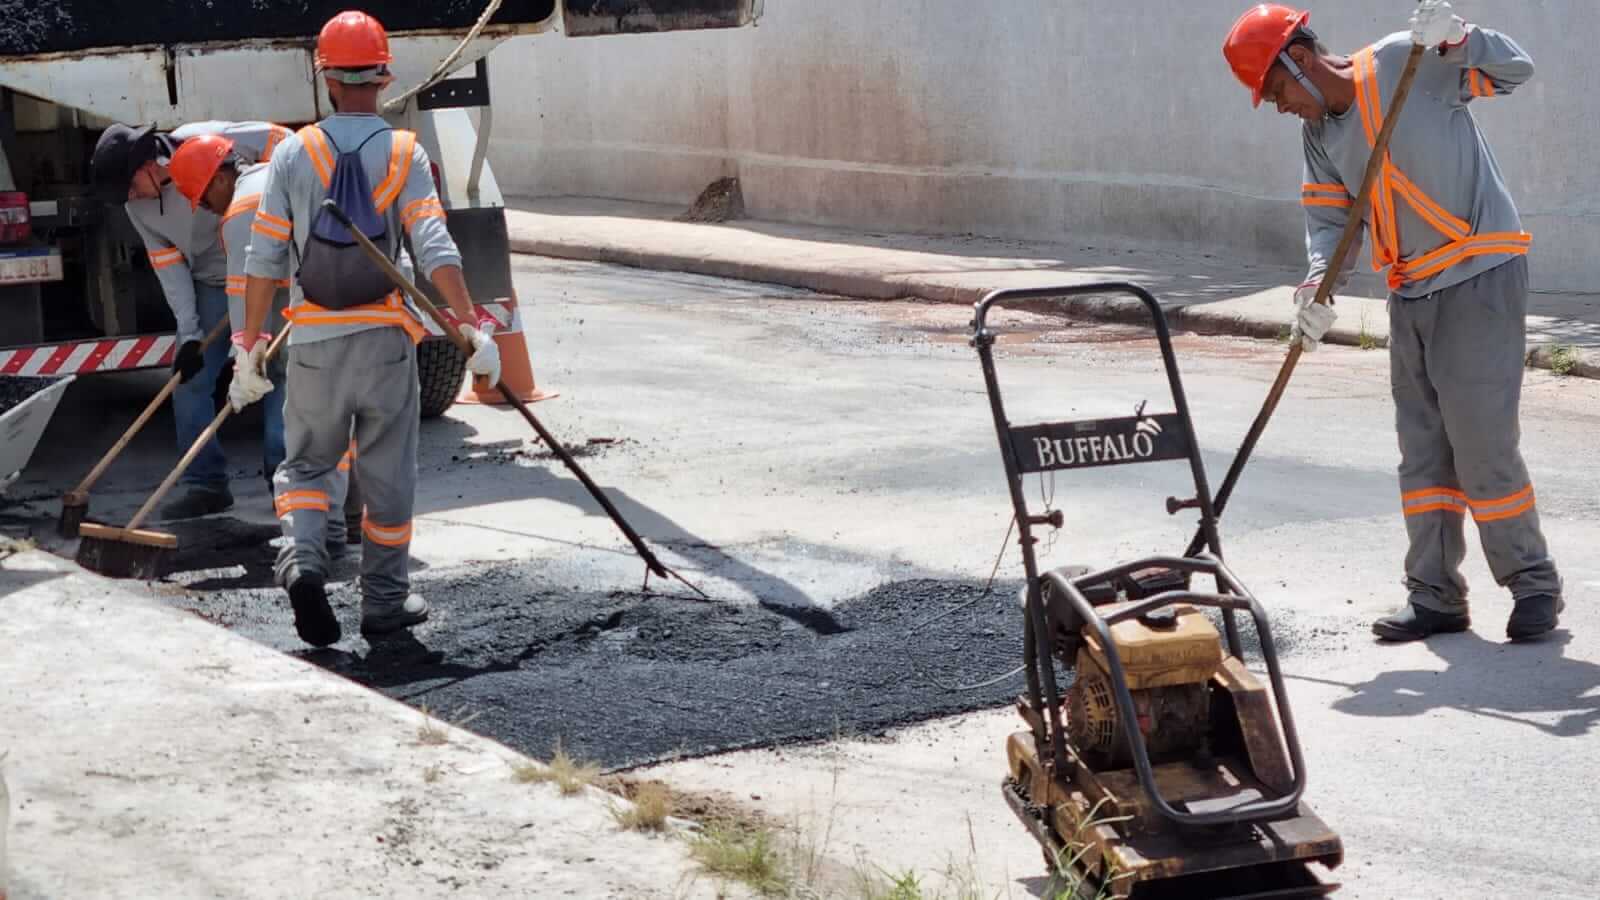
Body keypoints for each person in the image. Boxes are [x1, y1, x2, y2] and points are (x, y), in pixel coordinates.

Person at [1222, 1, 1563, 642]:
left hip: (1479, 276)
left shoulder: (1406, 62)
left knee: (1481, 442)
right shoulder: (1320, 136)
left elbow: (1516, 69)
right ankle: (1435, 595)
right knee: (1424, 449)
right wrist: (1314, 290)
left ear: (1297, 59)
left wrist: (1462, 39)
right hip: (1410, 294)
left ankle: (1532, 581)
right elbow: (1330, 225)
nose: (1277, 107)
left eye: (1272, 92)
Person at [230, 10, 501, 647]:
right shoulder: (405, 152)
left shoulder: (293, 152)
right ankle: (383, 603)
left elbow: (263, 258)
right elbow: (436, 248)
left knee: (306, 467)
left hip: (315, 343)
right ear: (384, 77)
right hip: (385, 342)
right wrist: (469, 325)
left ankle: (302, 561)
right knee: (387, 476)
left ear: (325, 77)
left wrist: (248, 347)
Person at [166, 133, 362, 561]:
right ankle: (344, 518)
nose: (202, 208)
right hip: (350, 297)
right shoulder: (276, 174)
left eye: (201, 197)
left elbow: (244, 290)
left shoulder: (239, 212)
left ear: (220, 177)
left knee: (299, 426)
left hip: (317, 314)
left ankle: (322, 532)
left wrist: (245, 358)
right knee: (330, 414)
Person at [89, 119, 293, 520]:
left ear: (147, 165)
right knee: (189, 381)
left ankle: (283, 479)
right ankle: (206, 485)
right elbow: (169, 267)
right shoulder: (138, 208)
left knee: (277, 370)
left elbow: (284, 143)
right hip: (212, 283)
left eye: (130, 187)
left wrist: (276, 209)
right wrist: (188, 335)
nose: (130, 199)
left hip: (267, 271)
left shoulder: (205, 141)